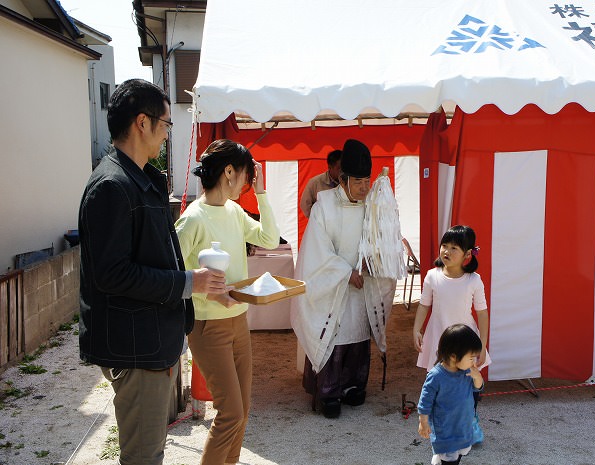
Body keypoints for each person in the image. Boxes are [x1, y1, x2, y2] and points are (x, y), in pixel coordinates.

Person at [78, 79, 228, 465]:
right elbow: (112, 274)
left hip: (149, 339)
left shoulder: (138, 179)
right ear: (142, 123)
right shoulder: (112, 185)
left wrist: (186, 277)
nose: (166, 134)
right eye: (165, 123)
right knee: (143, 456)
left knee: (149, 450)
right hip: (134, 345)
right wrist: (187, 282)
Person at [175, 139, 279, 465]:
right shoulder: (193, 218)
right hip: (207, 327)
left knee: (242, 410)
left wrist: (261, 194)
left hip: (238, 321)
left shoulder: (233, 210)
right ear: (229, 171)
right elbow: (169, 274)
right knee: (231, 412)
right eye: (246, 177)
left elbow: (269, 239)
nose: (248, 184)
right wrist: (205, 288)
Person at [291, 139, 395, 419]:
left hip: (362, 283)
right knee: (335, 337)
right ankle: (329, 392)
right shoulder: (324, 205)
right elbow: (317, 249)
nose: (364, 188)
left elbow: (378, 237)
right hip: (334, 285)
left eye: (367, 181)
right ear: (343, 179)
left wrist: (372, 259)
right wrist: (344, 273)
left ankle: (353, 386)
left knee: (359, 334)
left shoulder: (370, 204)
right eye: (358, 182)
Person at [413, 225, 490, 371]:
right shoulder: (432, 276)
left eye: (454, 248)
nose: (447, 251)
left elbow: (482, 313)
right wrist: (416, 329)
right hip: (437, 336)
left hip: (465, 339)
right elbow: (424, 305)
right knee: (439, 380)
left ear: (467, 254)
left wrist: (482, 343)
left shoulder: (474, 280)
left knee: (468, 382)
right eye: (444, 246)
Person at [418, 324, 484, 465]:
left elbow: (477, 388)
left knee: (459, 454)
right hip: (445, 430)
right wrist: (423, 422)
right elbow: (425, 401)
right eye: (471, 358)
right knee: (449, 459)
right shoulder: (436, 376)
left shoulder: (467, 371)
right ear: (453, 356)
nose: (474, 362)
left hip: (463, 426)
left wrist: (477, 377)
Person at [299, 149, 342, 217]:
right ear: (330, 167)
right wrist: (316, 221)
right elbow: (305, 205)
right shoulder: (315, 182)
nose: (342, 171)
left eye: (344, 168)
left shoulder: (350, 182)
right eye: (339, 168)